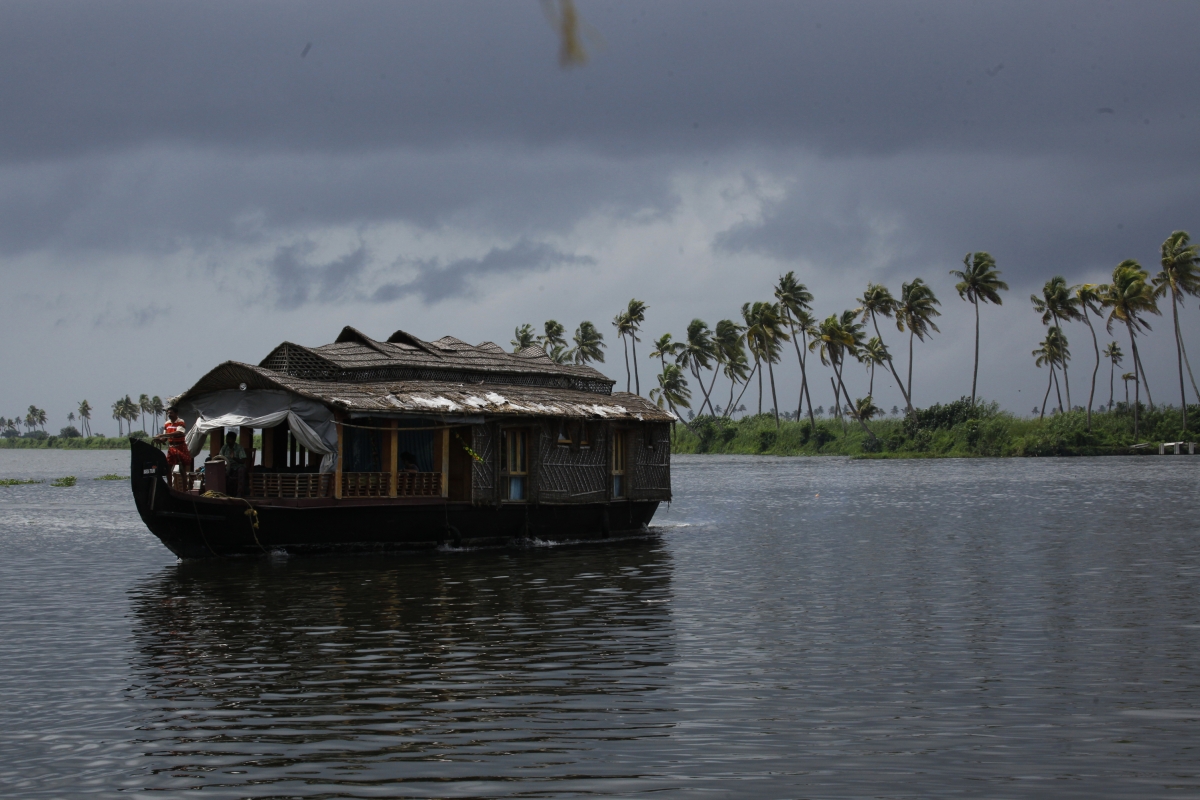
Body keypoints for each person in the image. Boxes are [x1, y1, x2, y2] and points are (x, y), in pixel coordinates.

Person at [154, 406, 193, 475]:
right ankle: (169, 485)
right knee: (168, 468)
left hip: (180, 447)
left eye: (171, 413)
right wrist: (159, 440)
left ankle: (184, 485)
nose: (169, 415)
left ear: (176, 414)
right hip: (171, 448)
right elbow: (164, 439)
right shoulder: (167, 424)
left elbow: (179, 432)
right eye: (168, 413)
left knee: (183, 470)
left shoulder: (181, 422)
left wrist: (162, 435)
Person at [219, 431, 248, 495]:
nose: (227, 441)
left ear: (234, 440)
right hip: (228, 466)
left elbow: (243, 460)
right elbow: (220, 457)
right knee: (220, 470)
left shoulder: (239, 448)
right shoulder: (224, 447)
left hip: (238, 466)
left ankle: (239, 493)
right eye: (227, 439)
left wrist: (234, 458)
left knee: (242, 470)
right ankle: (223, 492)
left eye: (229, 439)